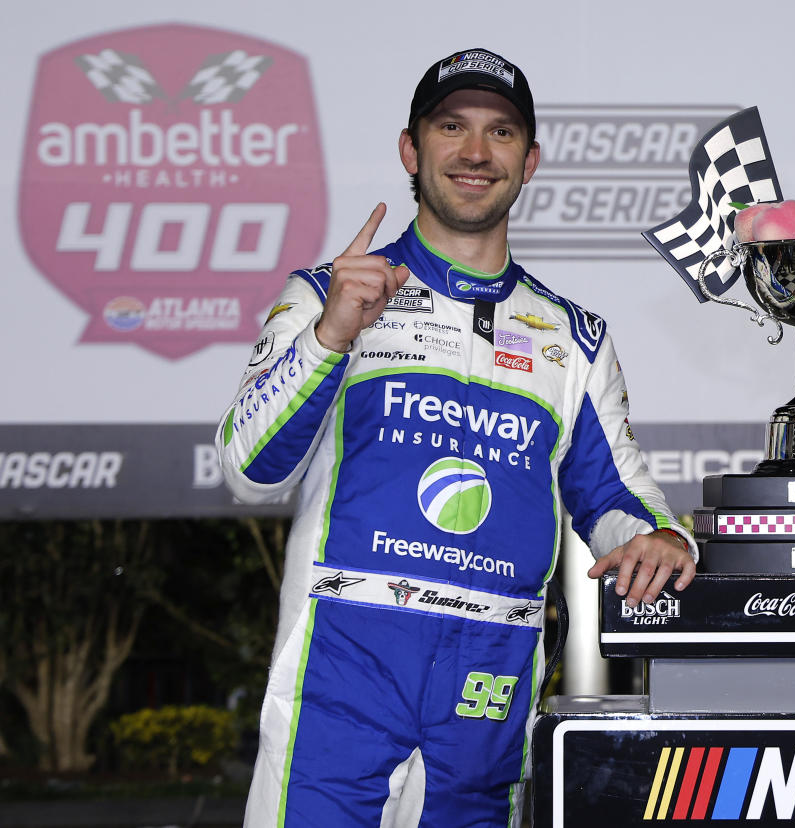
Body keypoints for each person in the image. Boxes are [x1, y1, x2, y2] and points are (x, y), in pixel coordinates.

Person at [215, 47, 696, 827]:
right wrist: (333, 337)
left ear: (529, 160)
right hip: (342, 670)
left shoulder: (573, 339)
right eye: (451, 127)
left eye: (501, 133)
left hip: (490, 687)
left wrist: (662, 536)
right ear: (411, 147)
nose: (475, 152)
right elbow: (249, 471)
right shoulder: (328, 295)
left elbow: (615, 492)